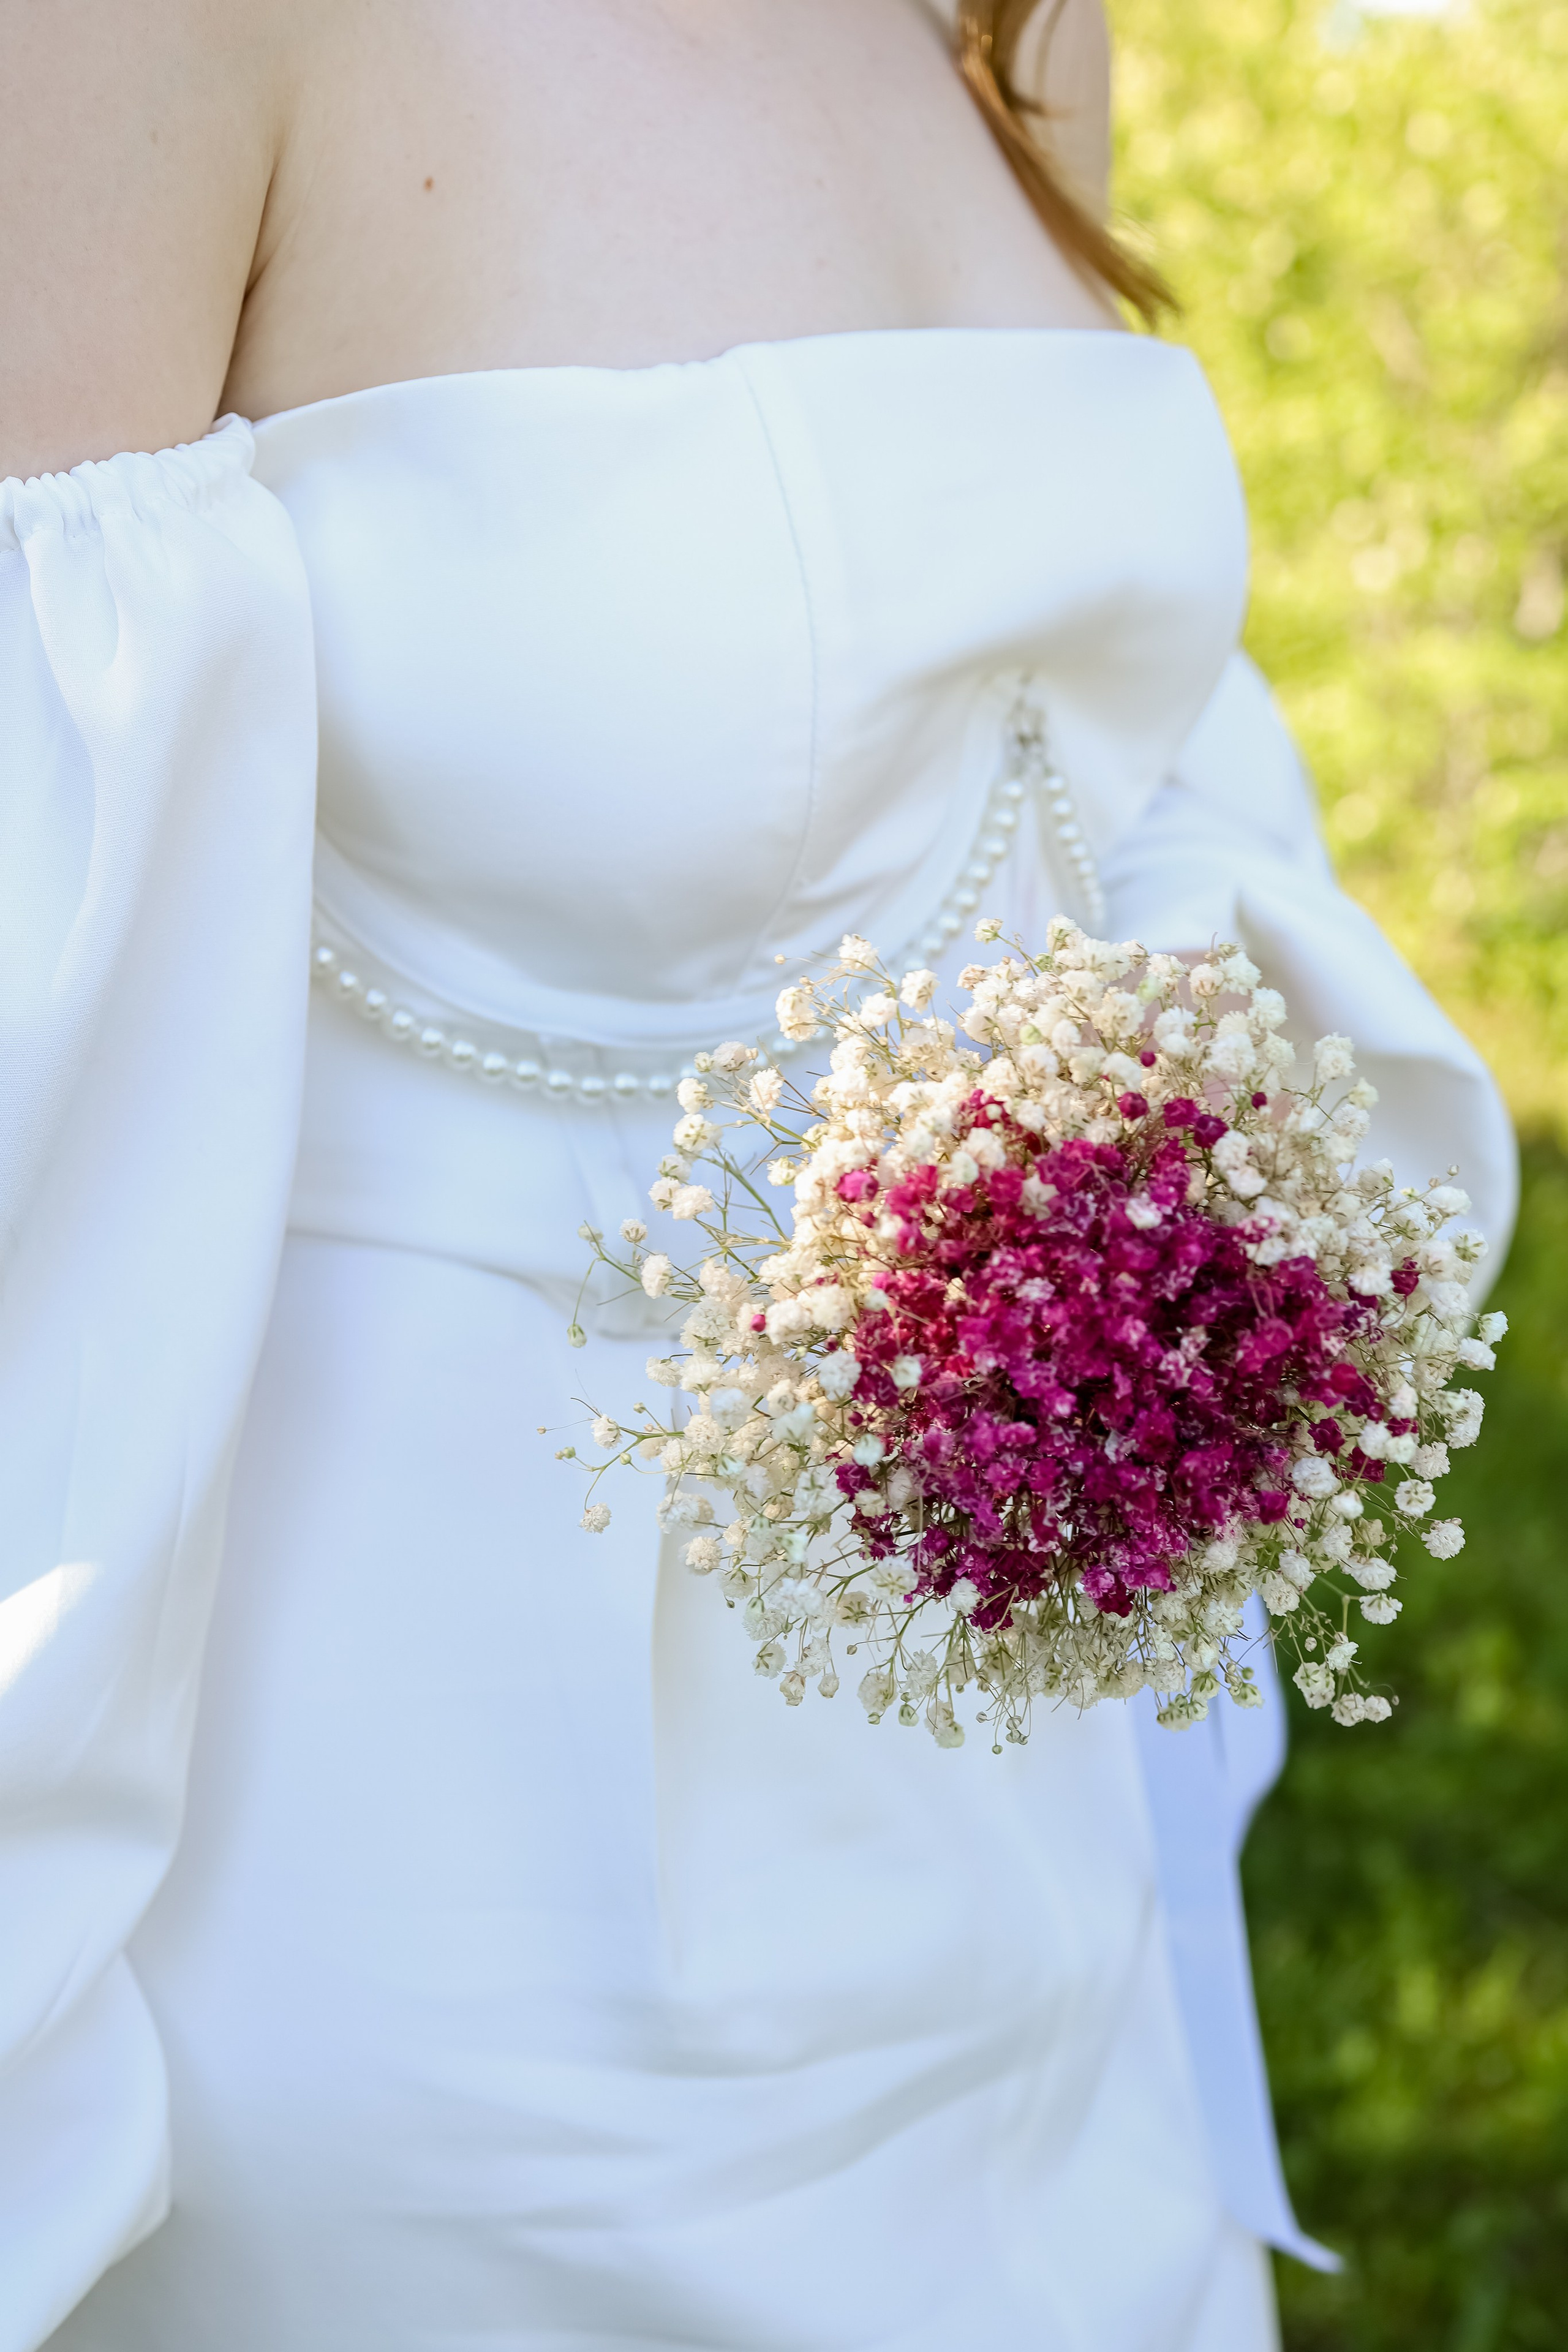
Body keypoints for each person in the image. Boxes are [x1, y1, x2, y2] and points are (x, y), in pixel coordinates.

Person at [0, 4, 1514, 2346]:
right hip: (431, 1908)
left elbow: (1097, 785)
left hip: (990, 1790)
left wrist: (1189, 1211)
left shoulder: (998, 8)